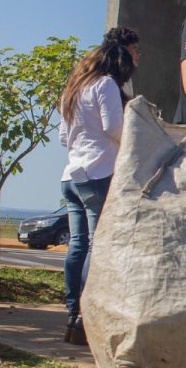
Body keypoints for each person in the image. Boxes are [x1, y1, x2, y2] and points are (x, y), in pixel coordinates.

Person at [58, 26, 139, 345]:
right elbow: (116, 129)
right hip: (99, 171)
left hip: (70, 175)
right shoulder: (106, 85)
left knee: (77, 244)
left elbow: (64, 137)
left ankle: (70, 312)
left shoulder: (73, 88)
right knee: (97, 244)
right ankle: (83, 319)